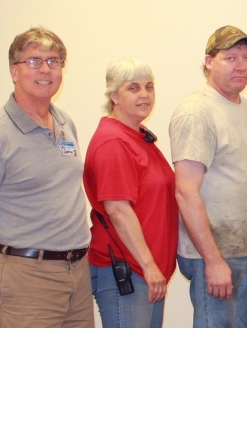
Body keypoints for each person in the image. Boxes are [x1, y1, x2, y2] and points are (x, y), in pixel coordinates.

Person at [0, 26, 93, 327]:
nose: (45, 69)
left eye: (53, 61)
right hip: (25, 280)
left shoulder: (64, 122)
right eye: (33, 61)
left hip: (77, 275)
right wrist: (9, 262)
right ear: (14, 71)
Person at [169, 25, 247, 328]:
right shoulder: (197, 111)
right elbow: (185, 191)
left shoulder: (242, 106)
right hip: (212, 254)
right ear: (209, 62)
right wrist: (212, 260)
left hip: (240, 250)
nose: (241, 66)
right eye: (230, 58)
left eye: (246, 58)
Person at [83, 58, 179, 328]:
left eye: (149, 86)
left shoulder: (138, 136)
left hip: (145, 270)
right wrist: (148, 266)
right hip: (128, 270)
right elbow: (118, 210)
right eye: (133, 88)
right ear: (114, 96)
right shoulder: (114, 142)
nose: (144, 94)